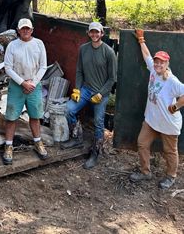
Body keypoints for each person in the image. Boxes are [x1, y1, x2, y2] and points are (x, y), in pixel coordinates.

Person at [129, 29, 184, 189]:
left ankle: (171, 176)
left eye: (162, 62)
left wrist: (176, 106)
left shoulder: (172, 81)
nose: (158, 64)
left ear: (167, 64)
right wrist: (141, 39)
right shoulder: (153, 70)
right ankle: (145, 172)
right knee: (142, 143)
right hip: (152, 120)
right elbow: (146, 55)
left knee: (170, 151)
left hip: (168, 123)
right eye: (157, 61)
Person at [63, 21, 117, 169]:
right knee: (68, 109)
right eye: (92, 32)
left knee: (99, 121)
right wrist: (77, 89)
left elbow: (112, 78)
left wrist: (101, 93)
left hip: (101, 92)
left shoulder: (108, 52)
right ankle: (76, 138)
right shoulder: (83, 49)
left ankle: (96, 152)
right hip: (86, 90)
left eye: (97, 32)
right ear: (88, 33)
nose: (94, 34)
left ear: (102, 34)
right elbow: (79, 70)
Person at [2, 18, 48, 165]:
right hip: (17, 85)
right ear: (18, 31)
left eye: (28, 28)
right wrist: (22, 83)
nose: (25, 31)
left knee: (35, 115)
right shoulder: (12, 46)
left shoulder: (39, 44)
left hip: (34, 84)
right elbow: (8, 68)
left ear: (32, 30)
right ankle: (8, 145)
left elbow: (43, 66)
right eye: (23, 29)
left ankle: (38, 142)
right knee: (12, 116)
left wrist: (32, 83)